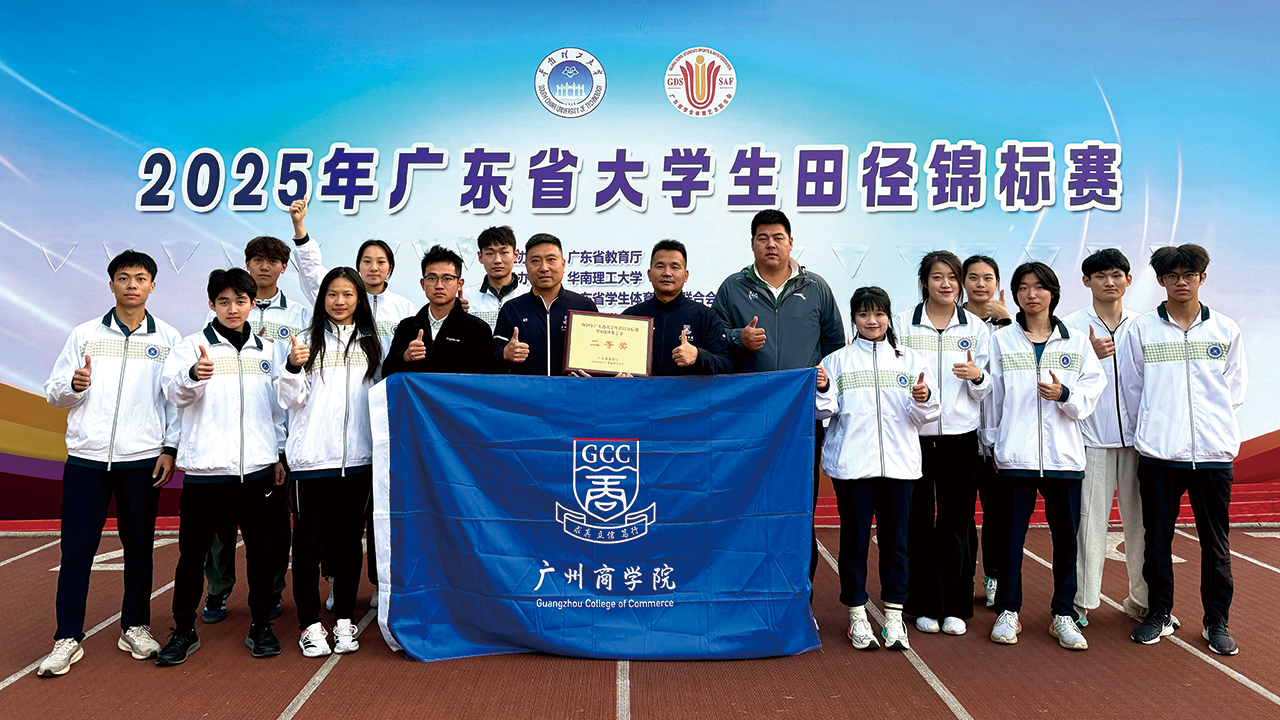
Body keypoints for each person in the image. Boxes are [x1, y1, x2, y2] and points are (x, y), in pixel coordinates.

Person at [37, 251, 182, 678]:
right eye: (123, 277)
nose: (131, 285)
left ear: (152, 285)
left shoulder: (168, 338)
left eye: (140, 278)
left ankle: (134, 626)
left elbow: (174, 401)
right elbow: (53, 392)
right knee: (76, 550)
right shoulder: (84, 335)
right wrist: (73, 385)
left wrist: (169, 448)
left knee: (139, 548)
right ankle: (67, 637)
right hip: (87, 459)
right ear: (111, 284)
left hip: (142, 460)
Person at [156, 269, 288, 665]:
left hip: (258, 472)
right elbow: (173, 394)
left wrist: (278, 453)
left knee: (262, 554)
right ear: (211, 304)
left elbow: (276, 409)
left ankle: (261, 625)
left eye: (240, 301)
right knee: (192, 557)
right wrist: (193, 376)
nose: (233, 309)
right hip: (207, 472)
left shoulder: (268, 351)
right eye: (224, 302)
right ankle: (183, 629)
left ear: (252, 304)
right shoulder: (191, 346)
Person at [1120, 244, 1246, 656]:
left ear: (1202, 278)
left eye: (1189, 275)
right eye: (1172, 276)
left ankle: (1216, 621)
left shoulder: (1225, 329)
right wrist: (1154, 431)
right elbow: (1132, 390)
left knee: (1216, 544)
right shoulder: (1142, 329)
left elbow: (1233, 391)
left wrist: (1211, 431)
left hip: (1212, 456)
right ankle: (1159, 613)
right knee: (1157, 540)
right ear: (1160, 280)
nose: (1181, 283)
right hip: (1159, 456)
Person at [712, 209, 845, 595]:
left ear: (790, 243)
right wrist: (739, 338)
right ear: (752, 243)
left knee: (798, 507)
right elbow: (714, 341)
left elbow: (835, 347)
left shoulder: (816, 288)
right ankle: (744, 592)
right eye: (763, 238)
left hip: (800, 419)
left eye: (778, 237)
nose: (771, 244)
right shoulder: (733, 288)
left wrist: (823, 380)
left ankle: (799, 595)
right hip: (747, 419)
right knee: (746, 503)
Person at [987, 262, 1104, 650]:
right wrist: (994, 443)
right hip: (1015, 457)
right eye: (1023, 287)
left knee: (1066, 541)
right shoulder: (1002, 341)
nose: (1031, 294)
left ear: (1053, 293)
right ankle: (1008, 610)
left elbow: (1092, 390)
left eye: (1039, 287)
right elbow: (993, 398)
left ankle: (1063, 613)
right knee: (1010, 539)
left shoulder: (1075, 341)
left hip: (1063, 459)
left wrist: (1065, 395)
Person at [816, 287, 939, 651]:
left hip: (900, 467)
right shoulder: (836, 361)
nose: (872, 321)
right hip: (853, 467)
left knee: (896, 544)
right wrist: (823, 389)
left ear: (888, 317)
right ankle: (857, 615)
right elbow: (824, 411)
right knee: (854, 543)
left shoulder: (910, 360)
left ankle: (894, 617)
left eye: (879, 314)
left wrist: (923, 399)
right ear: (854, 318)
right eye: (864, 314)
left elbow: (927, 414)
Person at [278, 267, 383, 657]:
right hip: (312, 463)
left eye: (348, 295)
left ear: (359, 300)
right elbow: (289, 399)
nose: (340, 302)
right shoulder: (304, 341)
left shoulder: (373, 344)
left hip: (358, 461)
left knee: (349, 546)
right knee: (307, 547)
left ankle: (343, 620)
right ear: (322, 299)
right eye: (333, 294)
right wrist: (293, 367)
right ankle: (309, 624)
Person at [201, 235, 305, 625]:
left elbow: (297, 379)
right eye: (257, 259)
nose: (264, 265)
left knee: (274, 528)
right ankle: (217, 590)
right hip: (225, 443)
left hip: (274, 438)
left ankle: (271, 591)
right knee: (220, 527)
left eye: (272, 260)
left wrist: (281, 448)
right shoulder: (216, 319)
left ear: (284, 267)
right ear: (247, 264)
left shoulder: (298, 315)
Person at [894, 251, 991, 637]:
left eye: (952, 277)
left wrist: (977, 376)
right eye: (937, 277)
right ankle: (922, 603)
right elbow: (891, 375)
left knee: (956, 521)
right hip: (913, 436)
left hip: (959, 437)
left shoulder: (976, 327)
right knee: (917, 521)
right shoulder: (902, 323)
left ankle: (956, 605)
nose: (946, 284)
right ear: (925, 282)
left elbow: (986, 389)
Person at [1061, 249, 1149, 627]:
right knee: (1089, 524)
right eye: (1100, 276)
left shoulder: (1144, 326)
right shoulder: (1070, 327)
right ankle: (1081, 602)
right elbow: (1056, 383)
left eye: (1116, 275)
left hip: (1139, 443)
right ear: (1086, 281)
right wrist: (1090, 356)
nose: (1109, 282)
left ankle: (1144, 602)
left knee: (1142, 526)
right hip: (1091, 439)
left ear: (1128, 279)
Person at [289, 198, 418, 352]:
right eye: (367, 261)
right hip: (351, 367)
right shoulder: (346, 300)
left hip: (390, 369)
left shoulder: (405, 308)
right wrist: (299, 224)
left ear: (390, 268)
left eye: (381, 262)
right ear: (358, 266)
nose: (374, 268)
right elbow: (311, 271)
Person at [962, 255, 1011, 610]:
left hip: (999, 437)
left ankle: (994, 577)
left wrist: (1008, 322)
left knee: (998, 515)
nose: (981, 284)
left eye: (988, 277)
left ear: (997, 283)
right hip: (961, 435)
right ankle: (961, 578)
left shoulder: (1010, 328)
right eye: (973, 277)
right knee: (960, 515)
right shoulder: (953, 322)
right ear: (962, 282)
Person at [621, 239, 731, 376]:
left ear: (685, 275)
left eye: (675, 267)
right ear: (649, 274)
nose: (667, 273)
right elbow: (616, 361)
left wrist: (698, 356)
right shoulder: (631, 316)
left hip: (689, 391)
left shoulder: (705, 316)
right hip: (643, 390)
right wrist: (618, 375)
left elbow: (726, 364)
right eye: (660, 266)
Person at [492, 234, 598, 376]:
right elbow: (492, 363)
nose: (544, 268)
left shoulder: (583, 306)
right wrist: (505, 354)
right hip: (526, 390)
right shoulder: (512, 309)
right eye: (535, 261)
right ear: (526, 266)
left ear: (563, 264)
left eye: (551, 259)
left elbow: (598, 356)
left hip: (572, 389)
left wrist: (594, 375)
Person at [384, 245, 494, 376]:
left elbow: (484, 379)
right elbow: (386, 373)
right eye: (432, 278)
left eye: (447, 279)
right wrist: (405, 357)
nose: (439, 286)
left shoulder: (477, 330)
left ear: (460, 284)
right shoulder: (407, 327)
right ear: (423, 284)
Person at [461, 225, 529, 331]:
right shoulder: (466, 298)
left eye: (504, 253)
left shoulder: (530, 296)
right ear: (480, 257)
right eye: (490, 253)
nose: (497, 260)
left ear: (516, 255)